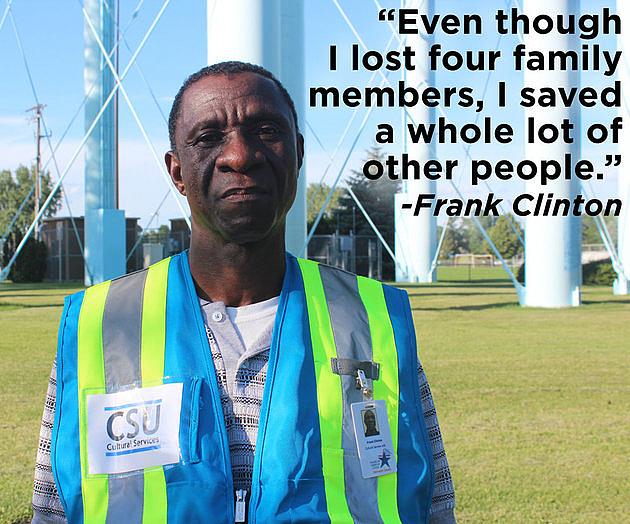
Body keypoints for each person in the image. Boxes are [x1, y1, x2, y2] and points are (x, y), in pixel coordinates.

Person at [32, 61, 456, 523]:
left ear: (296, 154)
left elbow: (433, 505)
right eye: (208, 137)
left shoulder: (371, 320)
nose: (239, 155)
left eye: (266, 130)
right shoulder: (102, 325)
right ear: (176, 172)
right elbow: (54, 507)